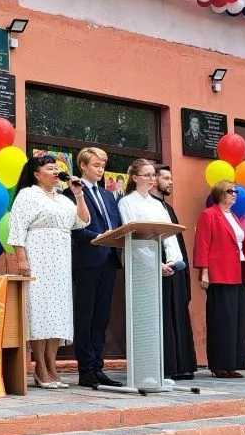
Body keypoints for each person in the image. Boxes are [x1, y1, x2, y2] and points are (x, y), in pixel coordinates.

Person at [6, 154, 90, 389]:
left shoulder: (63, 199)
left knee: (58, 313)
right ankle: (40, 367)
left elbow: (83, 221)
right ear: (36, 174)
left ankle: (52, 365)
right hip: (38, 257)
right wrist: (22, 260)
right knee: (40, 311)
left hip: (61, 260)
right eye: (50, 168)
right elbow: (17, 228)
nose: (55, 172)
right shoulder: (28, 195)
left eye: (56, 168)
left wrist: (78, 194)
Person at [117, 160, 192, 381]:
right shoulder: (127, 202)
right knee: (144, 318)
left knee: (159, 318)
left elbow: (170, 234)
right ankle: (143, 370)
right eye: (147, 175)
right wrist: (154, 264)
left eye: (153, 175)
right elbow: (132, 236)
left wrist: (173, 261)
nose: (151, 179)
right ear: (135, 177)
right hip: (142, 264)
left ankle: (160, 368)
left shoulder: (158, 204)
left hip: (163, 262)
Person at [62, 147, 122, 389]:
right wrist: (98, 237)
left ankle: (98, 367)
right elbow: (75, 228)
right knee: (85, 316)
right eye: (96, 165)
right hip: (87, 260)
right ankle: (85, 369)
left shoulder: (108, 196)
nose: (101, 170)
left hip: (109, 259)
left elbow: (116, 224)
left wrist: (116, 237)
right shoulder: (71, 192)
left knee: (101, 317)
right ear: (83, 166)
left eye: (103, 165)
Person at [193, 180, 245, 378]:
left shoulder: (233, 216)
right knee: (222, 320)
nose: (234, 194)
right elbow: (202, 244)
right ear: (219, 194)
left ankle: (233, 363)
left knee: (236, 320)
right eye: (229, 191)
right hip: (220, 274)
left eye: (235, 191)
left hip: (238, 272)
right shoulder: (209, 214)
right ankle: (219, 364)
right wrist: (204, 272)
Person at [153, 165, 197, 380]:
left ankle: (182, 365)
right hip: (160, 267)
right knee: (165, 316)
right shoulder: (148, 206)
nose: (170, 182)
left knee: (178, 314)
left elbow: (177, 241)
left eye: (171, 178)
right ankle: (168, 365)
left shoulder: (168, 208)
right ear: (153, 180)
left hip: (176, 265)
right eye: (166, 178)